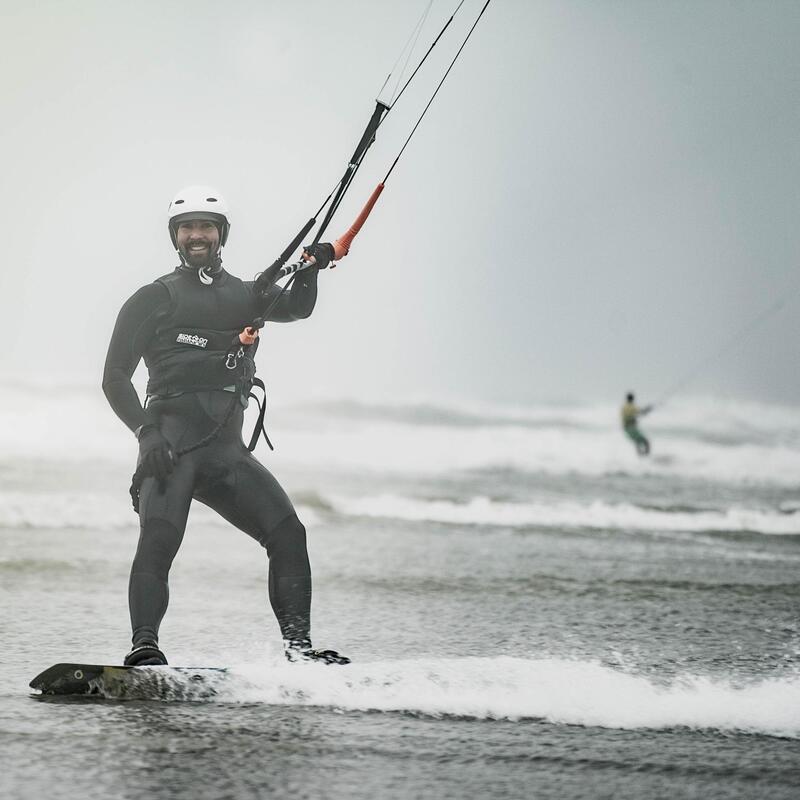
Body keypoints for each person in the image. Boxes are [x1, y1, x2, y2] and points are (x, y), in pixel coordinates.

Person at [102, 185, 348, 667]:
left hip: (227, 453)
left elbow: (298, 306)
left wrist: (314, 267)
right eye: (187, 228)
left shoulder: (248, 295)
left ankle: (299, 651)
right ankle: (144, 646)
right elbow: (113, 378)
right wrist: (146, 433)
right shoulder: (154, 298)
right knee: (158, 540)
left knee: (289, 534)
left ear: (222, 235)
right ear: (175, 237)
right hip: (169, 449)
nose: (197, 235)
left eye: (206, 227)